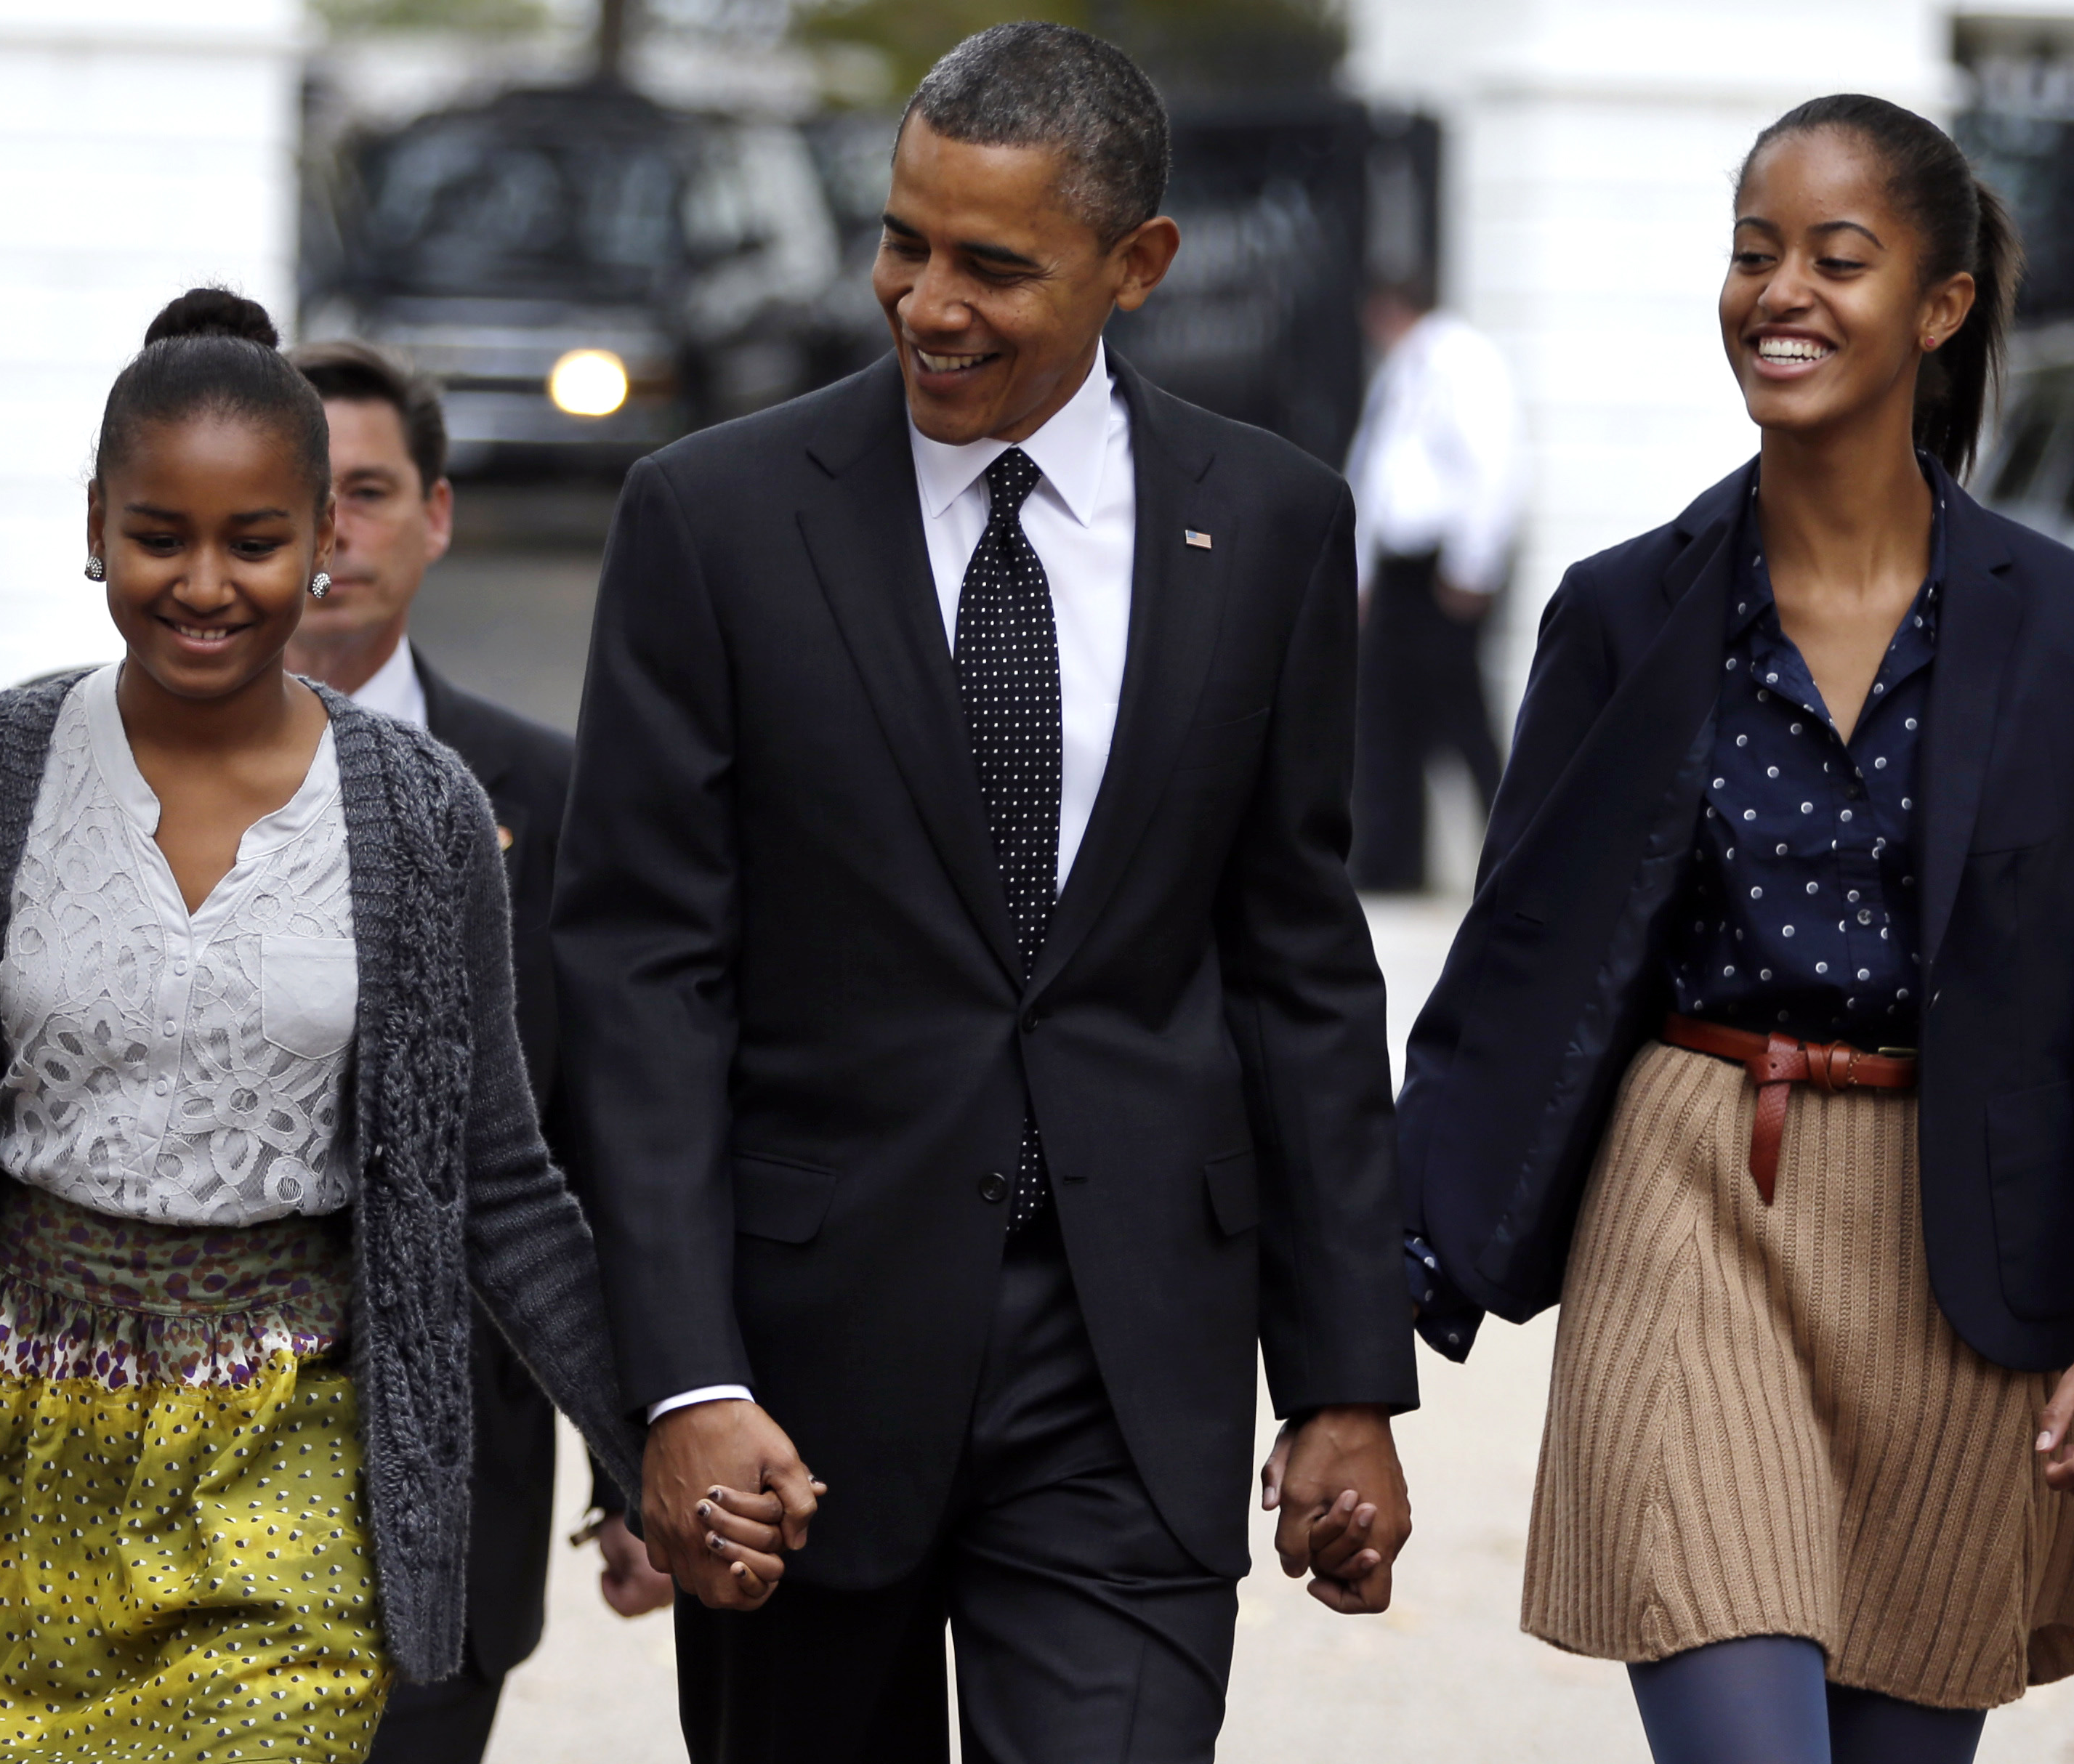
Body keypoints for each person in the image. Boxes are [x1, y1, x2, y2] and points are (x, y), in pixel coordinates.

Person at [555, 23, 1419, 1763]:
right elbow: (642, 979)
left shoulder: (1270, 524)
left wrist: (1343, 1377)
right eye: (903, 242)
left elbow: (1296, 967)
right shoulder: (711, 520)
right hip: (799, 1381)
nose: (925, 302)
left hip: (1130, 1367)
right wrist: (683, 1379)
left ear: (1135, 264)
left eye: (993, 266)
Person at [1395, 95, 2074, 1764]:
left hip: (1968, 1238)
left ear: (1939, 305)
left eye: (1835, 258)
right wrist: (1359, 1352)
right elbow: (1509, 976)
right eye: (1752, 252)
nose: (1778, 291)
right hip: (1693, 1198)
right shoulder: (1621, 610)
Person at [0, 288, 643, 1762]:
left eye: (254, 540)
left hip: (287, 1459)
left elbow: (496, 1178)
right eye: (160, 535)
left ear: (320, 540)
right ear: (95, 526)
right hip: (12, 1468)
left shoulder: (422, 815)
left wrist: (654, 1436)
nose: (204, 582)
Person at [281, 337, 673, 1764]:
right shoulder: (111, 775)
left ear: (436, 514)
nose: (331, 530)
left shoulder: (543, 792)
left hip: (452, 1480)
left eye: (367, 491)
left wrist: (634, 1454)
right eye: (297, 493)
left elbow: (589, 1139)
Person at [1341, 275, 1525, 893]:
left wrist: (1473, 565)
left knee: (1461, 714)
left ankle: (1512, 854)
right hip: (1401, 570)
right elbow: (1376, 475)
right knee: (1388, 716)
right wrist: (1364, 572)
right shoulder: (1403, 369)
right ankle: (1390, 862)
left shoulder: (1460, 360)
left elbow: (1492, 464)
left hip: (1442, 569)